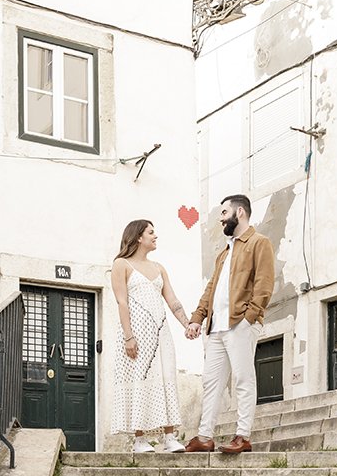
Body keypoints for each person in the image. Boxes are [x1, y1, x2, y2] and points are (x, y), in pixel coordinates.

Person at [183, 194, 274, 455]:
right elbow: (211, 288)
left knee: (243, 380)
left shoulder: (259, 243)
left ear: (240, 213)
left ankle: (243, 436)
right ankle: (204, 437)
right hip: (217, 328)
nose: (221, 218)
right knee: (211, 382)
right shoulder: (224, 252)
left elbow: (265, 284)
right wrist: (197, 318)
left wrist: (249, 318)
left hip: (240, 324)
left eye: (224, 213)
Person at [110, 220, 192, 454]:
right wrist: (128, 337)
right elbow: (121, 301)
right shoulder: (121, 264)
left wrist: (188, 324)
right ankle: (139, 439)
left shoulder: (159, 268)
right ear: (138, 237)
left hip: (160, 332)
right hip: (135, 333)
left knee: (166, 378)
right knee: (140, 380)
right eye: (151, 232)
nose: (156, 236)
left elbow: (173, 301)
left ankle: (169, 436)